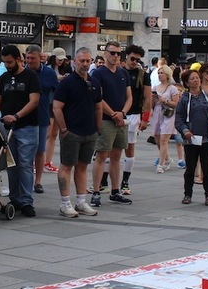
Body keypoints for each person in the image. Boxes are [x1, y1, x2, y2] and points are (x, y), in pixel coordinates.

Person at [52, 48, 101, 218]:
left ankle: (81, 201)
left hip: (89, 131)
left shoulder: (94, 82)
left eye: (88, 61)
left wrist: (98, 127)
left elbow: (98, 105)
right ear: (74, 61)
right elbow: (57, 107)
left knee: (82, 167)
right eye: (82, 61)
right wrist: (64, 128)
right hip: (72, 131)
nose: (85, 64)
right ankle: (65, 203)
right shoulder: (66, 82)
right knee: (66, 166)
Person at [0, 45, 40, 217]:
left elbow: (34, 101)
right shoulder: (4, 77)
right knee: (11, 165)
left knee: (26, 165)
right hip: (7, 128)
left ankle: (26, 200)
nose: (7, 65)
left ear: (18, 59)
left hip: (26, 126)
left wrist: (17, 116)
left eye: (10, 62)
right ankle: (15, 198)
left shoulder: (30, 77)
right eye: (5, 62)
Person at [89, 41, 133, 207]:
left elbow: (129, 97)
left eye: (118, 54)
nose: (115, 56)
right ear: (105, 53)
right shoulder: (98, 74)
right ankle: (96, 191)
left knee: (117, 156)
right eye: (112, 53)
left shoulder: (123, 73)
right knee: (101, 155)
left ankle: (115, 191)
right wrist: (114, 114)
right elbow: (98, 98)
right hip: (106, 120)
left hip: (121, 120)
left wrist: (122, 113)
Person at [174, 69, 208, 206]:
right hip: (191, 139)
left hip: (206, 138)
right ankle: (187, 194)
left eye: (197, 78)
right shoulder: (184, 98)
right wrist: (185, 131)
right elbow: (179, 119)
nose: (196, 80)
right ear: (187, 83)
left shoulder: (207, 96)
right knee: (190, 168)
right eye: (192, 78)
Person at [25, 45, 58, 195]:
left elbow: (56, 93)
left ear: (40, 58)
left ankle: (38, 181)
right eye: (27, 58)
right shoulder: (22, 72)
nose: (30, 61)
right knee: (25, 151)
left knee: (40, 150)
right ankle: (25, 180)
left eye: (33, 58)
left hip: (42, 115)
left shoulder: (49, 73)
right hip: (24, 116)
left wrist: (54, 113)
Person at [120, 45, 152, 195]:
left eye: (137, 60)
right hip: (116, 113)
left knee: (130, 147)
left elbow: (148, 98)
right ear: (126, 56)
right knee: (109, 150)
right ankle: (103, 181)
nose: (134, 62)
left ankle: (125, 182)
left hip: (133, 114)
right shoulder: (119, 71)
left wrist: (145, 118)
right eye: (132, 58)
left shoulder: (142, 75)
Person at [153, 65, 180, 172]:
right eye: (158, 73)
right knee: (157, 137)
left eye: (162, 73)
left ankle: (161, 164)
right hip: (157, 112)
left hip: (168, 114)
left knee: (164, 139)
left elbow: (176, 103)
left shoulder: (173, 88)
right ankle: (167, 158)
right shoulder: (155, 87)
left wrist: (166, 101)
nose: (159, 75)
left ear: (167, 75)